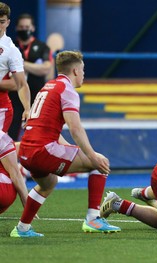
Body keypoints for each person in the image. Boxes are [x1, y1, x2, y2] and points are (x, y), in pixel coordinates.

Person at [10, 50, 120, 238]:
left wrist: (72, 152)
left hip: (27, 152)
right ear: (76, 70)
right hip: (42, 151)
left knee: (48, 184)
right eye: (83, 70)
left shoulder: (49, 86)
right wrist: (92, 157)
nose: (84, 74)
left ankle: (22, 228)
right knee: (100, 163)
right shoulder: (67, 90)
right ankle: (93, 219)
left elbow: (48, 127)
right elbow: (75, 128)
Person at [8, 13, 53, 140]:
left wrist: (21, 63)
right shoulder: (10, 47)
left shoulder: (42, 47)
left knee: (38, 133)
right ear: (16, 28)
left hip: (37, 96)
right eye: (21, 27)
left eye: (27, 26)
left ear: (33, 28)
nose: (24, 29)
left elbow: (45, 68)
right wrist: (33, 67)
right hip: (14, 97)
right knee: (11, 132)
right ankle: (10, 159)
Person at [0, 3, 31, 133]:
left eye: (1, 22)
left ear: (8, 22)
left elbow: (21, 84)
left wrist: (27, 109)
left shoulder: (11, 50)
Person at [0, 130, 30, 214]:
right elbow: (15, 173)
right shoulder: (3, 137)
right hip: (7, 193)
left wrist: (27, 204)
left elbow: (15, 173)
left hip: (4, 189)